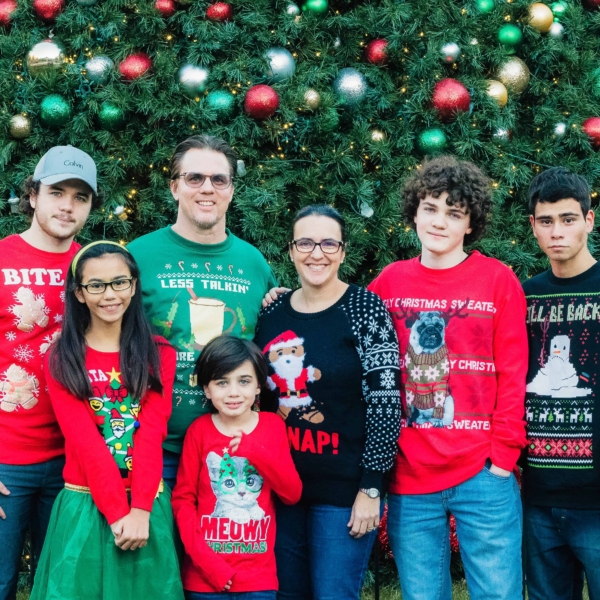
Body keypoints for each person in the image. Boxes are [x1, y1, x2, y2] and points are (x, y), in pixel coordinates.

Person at [368, 156, 527, 600]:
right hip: (409, 473)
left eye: (454, 213)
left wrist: (502, 458)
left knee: (498, 594)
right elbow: (356, 347)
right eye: (430, 208)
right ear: (414, 212)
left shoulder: (497, 280)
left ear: (470, 224)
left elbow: (513, 371)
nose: (439, 222)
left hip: (482, 471)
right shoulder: (390, 281)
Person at [254, 204, 401, 600]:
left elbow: (386, 402)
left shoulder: (365, 310)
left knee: (334, 592)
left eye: (328, 243)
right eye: (305, 242)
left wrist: (372, 488)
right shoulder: (271, 313)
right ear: (290, 250)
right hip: (281, 487)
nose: (316, 253)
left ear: (343, 251)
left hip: (342, 492)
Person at [128, 135, 283, 490]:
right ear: (174, 187)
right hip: (152, 449)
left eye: (219, 179)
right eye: (194, 178)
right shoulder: (138, 256)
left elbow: (269, 340)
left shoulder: (252, 263)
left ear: (230, 190)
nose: (207, 189)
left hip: (232, 449)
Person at [30, 241, 183, 599]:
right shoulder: (62, 358)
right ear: (80, 294)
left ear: (133, 284)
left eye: (119, 282)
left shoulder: (158, 353)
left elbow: (152, 433)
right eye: (95, 285)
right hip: (86, 505)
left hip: (146, 502)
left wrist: (140, 510)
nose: (109, 294)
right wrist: (117, 514)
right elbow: (83, 441)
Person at [0, 146, 101, 600]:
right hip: (7, 457)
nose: (67, 205)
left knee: (60, 588)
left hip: (73, 460)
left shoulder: (95, 268)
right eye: (57, 192)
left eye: (80, 197)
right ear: (33, 195)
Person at [172, 335, 302, 598]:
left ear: (258, 386)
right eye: (222, 382)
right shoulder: (199, 432)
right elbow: (183, 502)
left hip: (258, 581)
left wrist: (252, 450)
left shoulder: (272, 427)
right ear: (207, 389)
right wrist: (210, 567)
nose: (233, 392)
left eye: (244, 381)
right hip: (204, 579)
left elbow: (291, 493)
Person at [522, 167, 600, 600]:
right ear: (533, 226)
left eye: (568, 219)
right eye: (546, 221)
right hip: (540, 491)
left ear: (589, 221)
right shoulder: (524, 296)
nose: (557, 231)